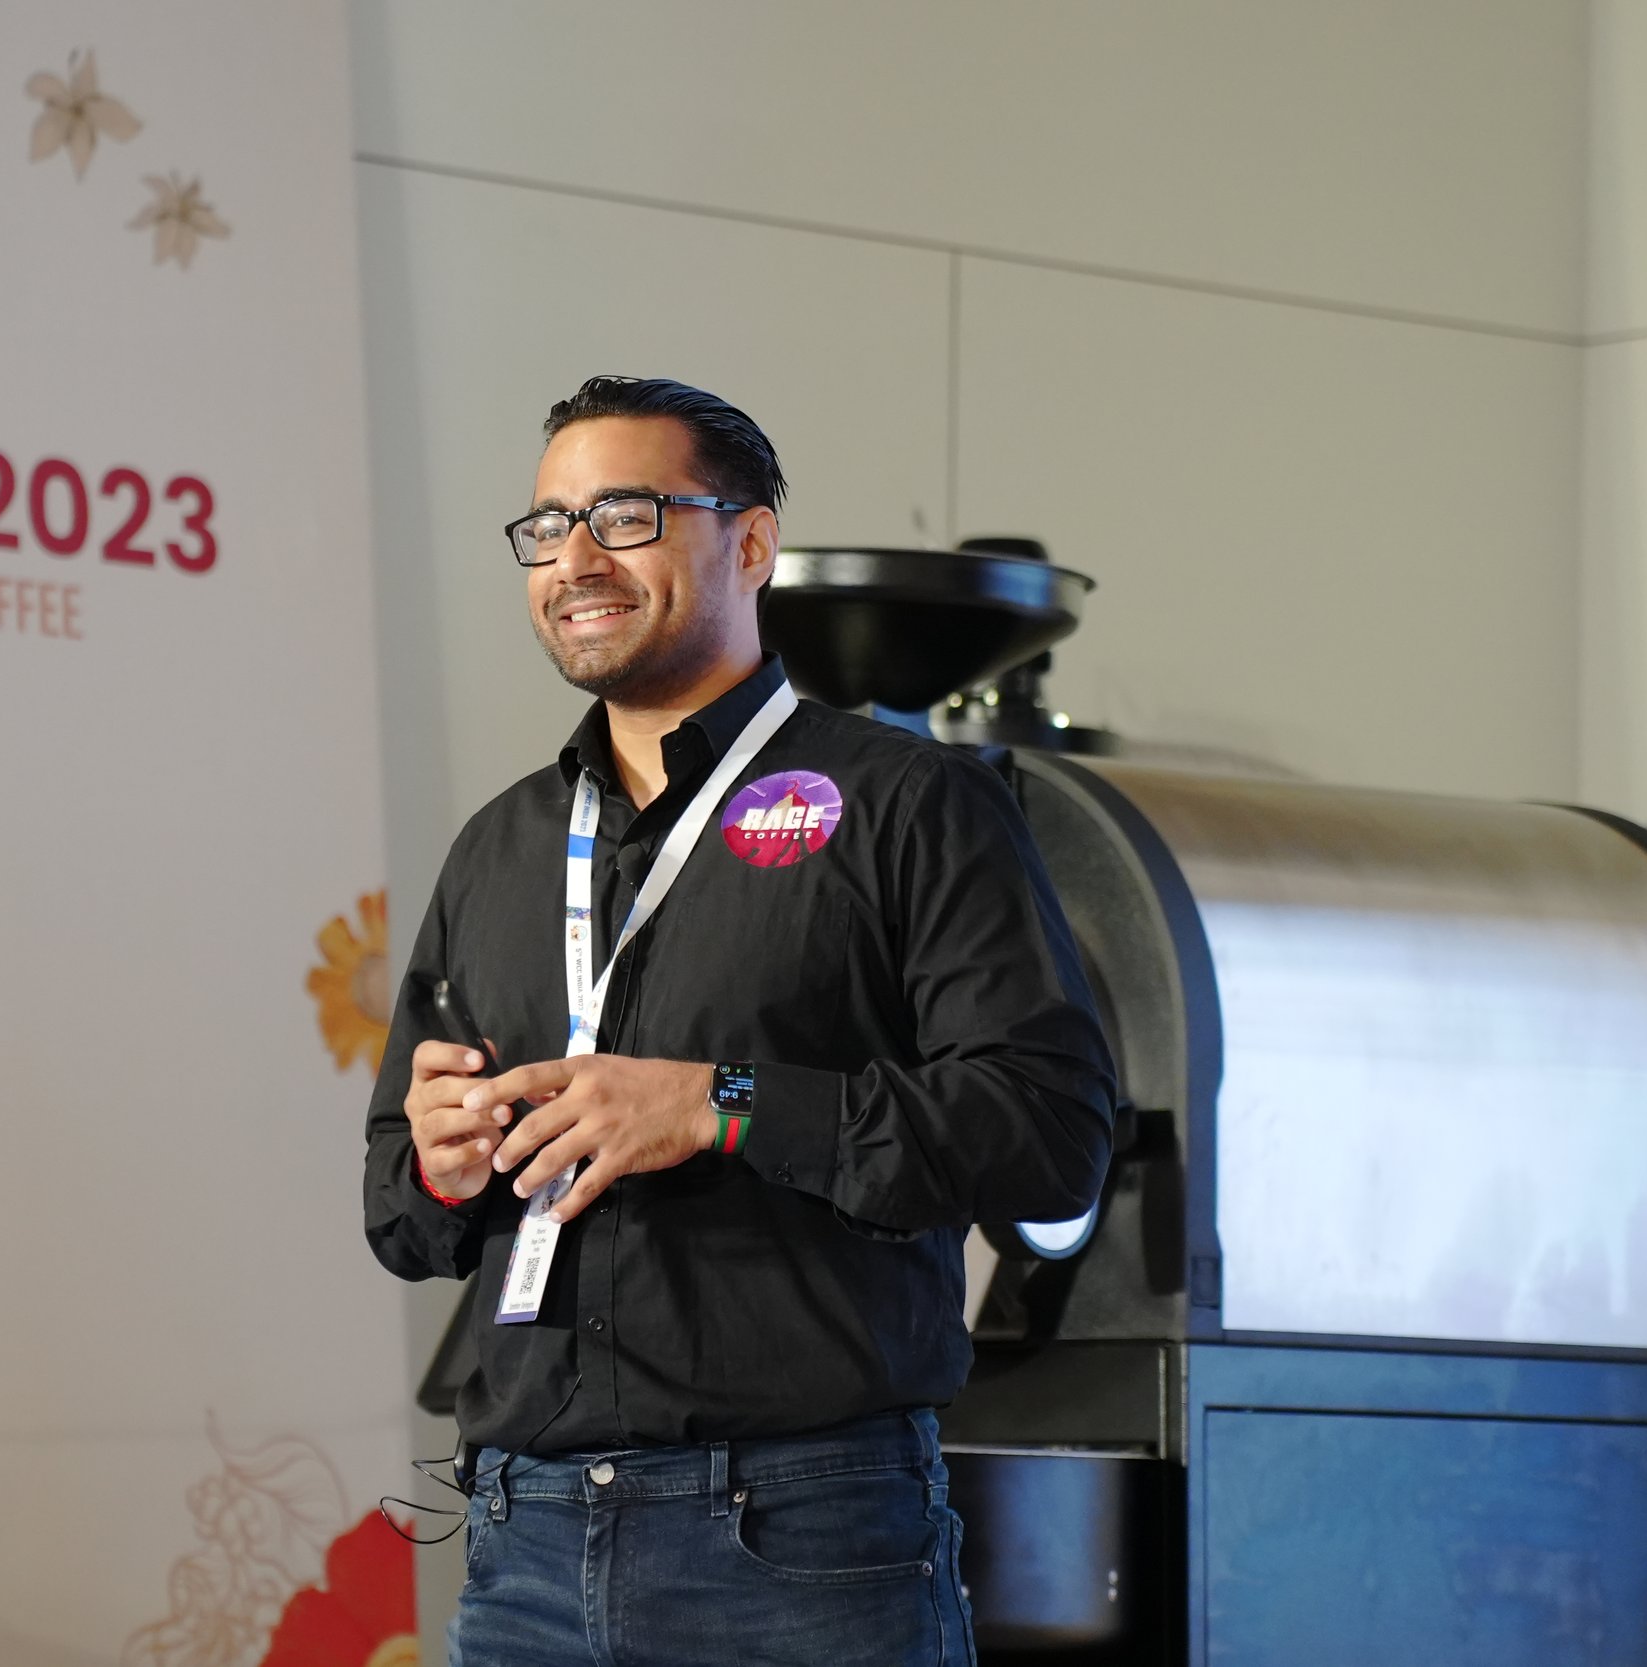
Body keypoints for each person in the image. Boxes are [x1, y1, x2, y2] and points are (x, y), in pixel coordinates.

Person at [362, 375, 1117, 1667]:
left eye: (625, 513)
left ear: (751, 542)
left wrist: (724, 1105)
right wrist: (440, 1164)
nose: (575, 559)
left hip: (801, 1546)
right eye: (546, 527)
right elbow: (398, 1214)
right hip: (523, 1548)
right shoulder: (499, 850)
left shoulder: (907, 809)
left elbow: (1049, 1137)